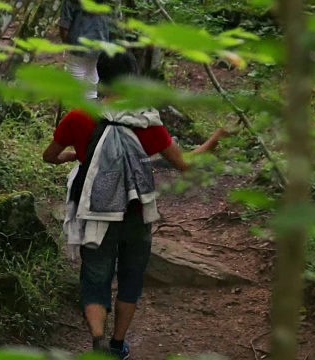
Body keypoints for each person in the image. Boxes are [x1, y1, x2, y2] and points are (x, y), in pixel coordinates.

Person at [41, 51, 230, 359]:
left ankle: (98, 342)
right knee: (130, 277)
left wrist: (75, 154)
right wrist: (215, 139)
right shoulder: (146, 120)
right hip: (135, 213)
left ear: (100, 78)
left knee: (94, 277)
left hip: (94, 212)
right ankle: (117, 346)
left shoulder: (78, 117)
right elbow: (185, 165)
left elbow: (49, 156)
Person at [58, 0, 110, 100]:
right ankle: (87, 113)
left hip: (78, 49)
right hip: (98, 49)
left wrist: (68, 46)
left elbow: (64, 26)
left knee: (77, 91)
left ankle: (80, 113)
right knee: (91, 88)